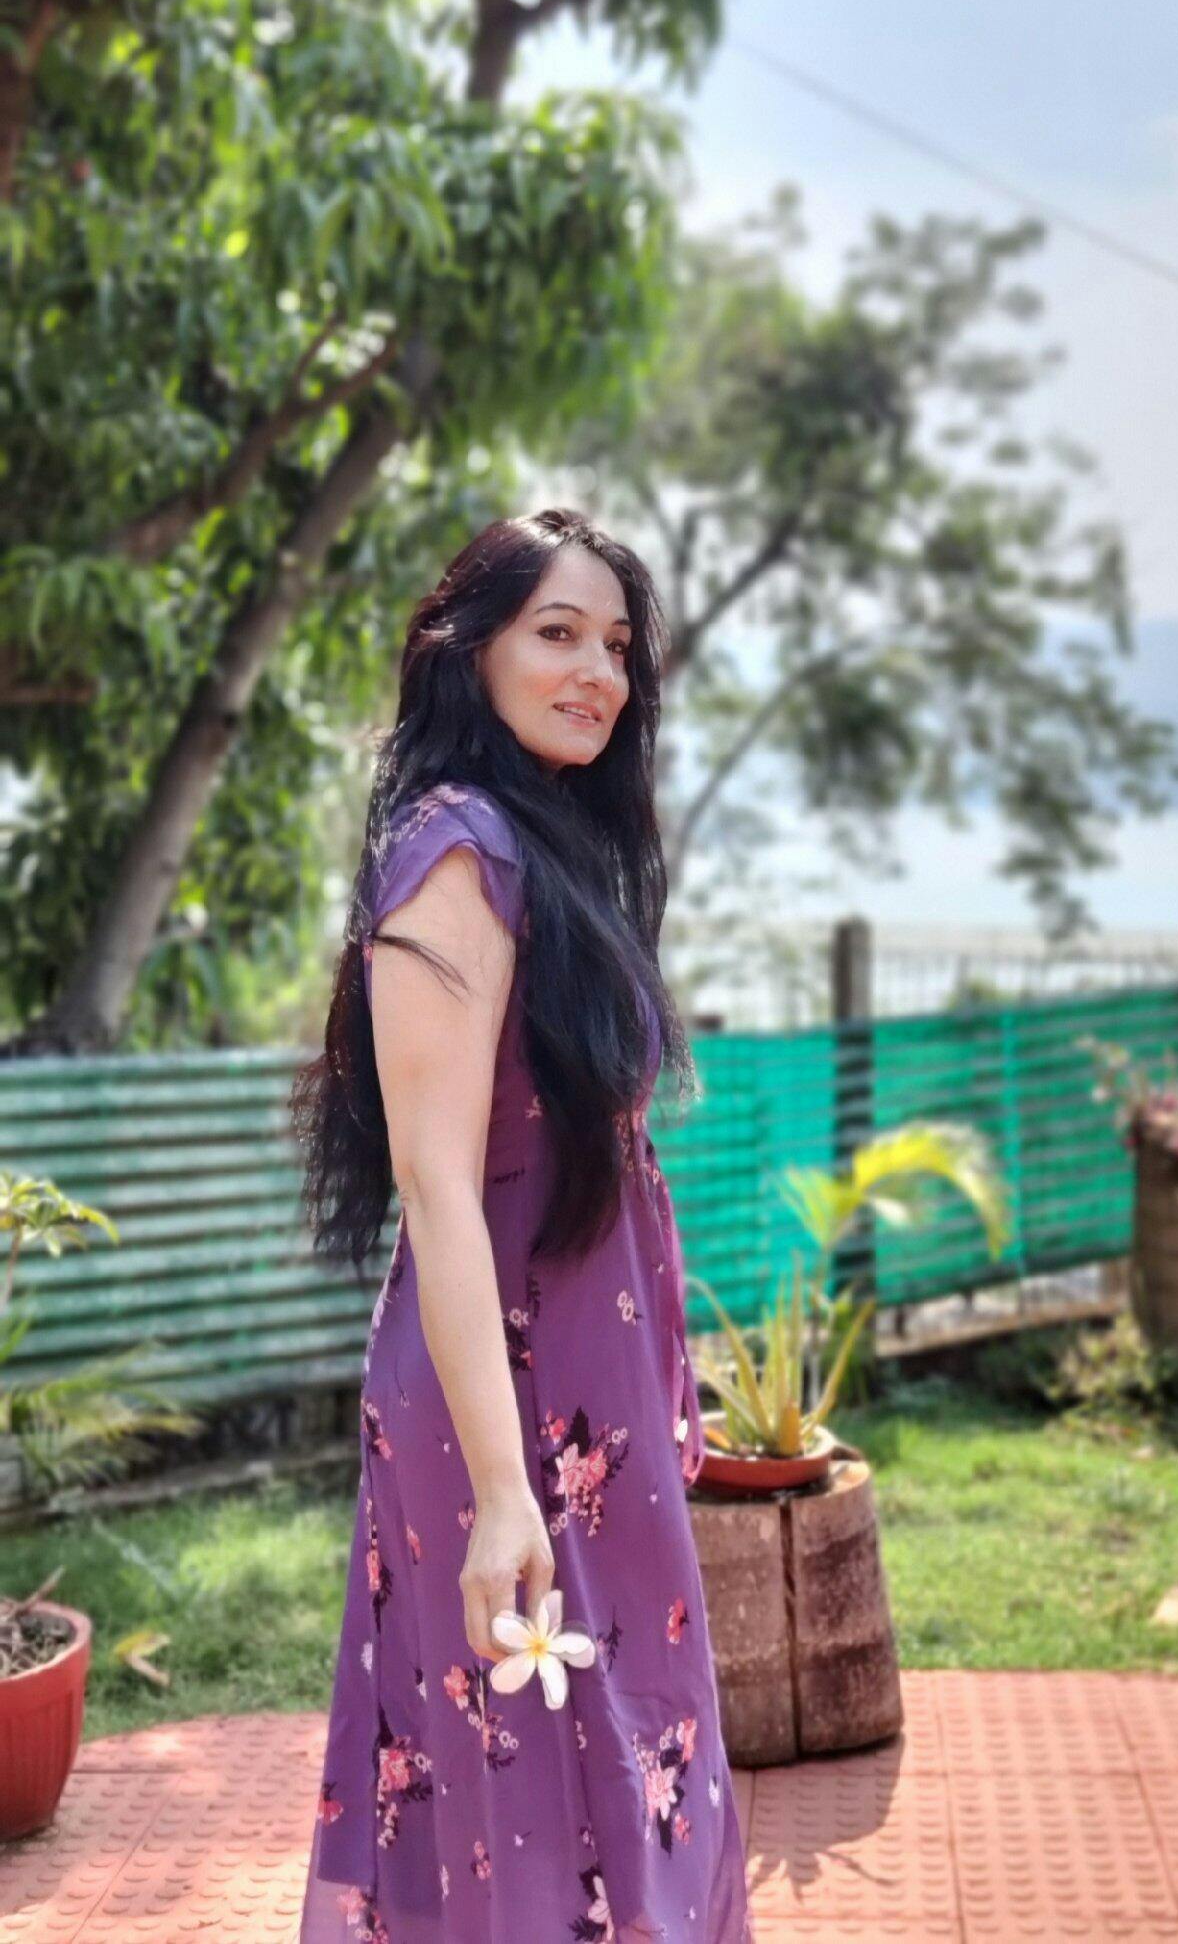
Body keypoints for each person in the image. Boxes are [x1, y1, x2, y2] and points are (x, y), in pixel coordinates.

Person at [290, 509, 754, 1941]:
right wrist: (503, 1491)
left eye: (616, 646)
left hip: (585, 1403)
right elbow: (437, 1185)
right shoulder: (457, 852)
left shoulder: (549, 849)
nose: (597, 673)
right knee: (537, 1797)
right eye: (557, 633)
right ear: (469, 651)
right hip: (506, 1404)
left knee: (630, 1764)